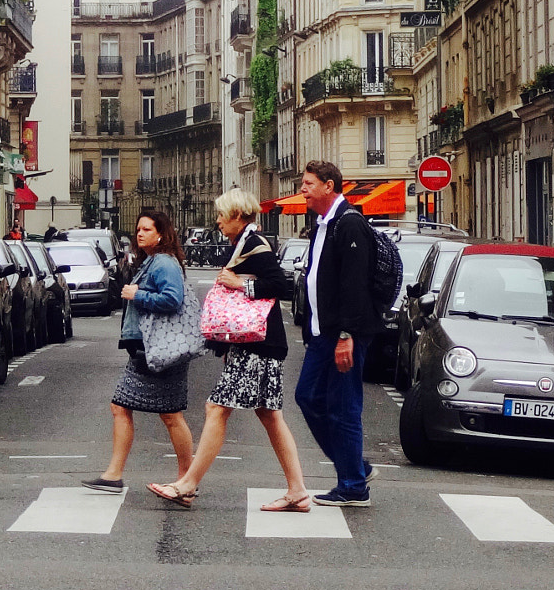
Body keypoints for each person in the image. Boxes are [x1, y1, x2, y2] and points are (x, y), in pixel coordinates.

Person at [147, 189, 311, 512]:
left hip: (258, 345)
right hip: (257, 344)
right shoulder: (245, 244)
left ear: (238, 215)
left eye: (222, 214)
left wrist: (240, 285)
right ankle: (298, 490)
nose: (218, 220)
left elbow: (280, 285)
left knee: (216, 408)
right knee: (269, 415)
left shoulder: (255, 246)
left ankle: (188, 484)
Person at [81, 209, 195, 493]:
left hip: (158, 349)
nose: (140, 233)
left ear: (161, 234)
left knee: (170, 414)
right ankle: (114, 474)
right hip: (146, 348)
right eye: (138, 229)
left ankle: (186, 479)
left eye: (146, 229)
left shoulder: (164, 263)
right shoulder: (152, 262)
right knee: (125, 407)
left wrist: (137, 295)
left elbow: (173, 299)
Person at [293, 160, 381, 509]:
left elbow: (354, 286)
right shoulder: (323, 223)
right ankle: (354, 467)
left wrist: (347, 334)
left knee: (344, 408)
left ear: (329, 186)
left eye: (308, 184)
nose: (303, 190)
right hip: (322, 332)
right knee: (308, 396)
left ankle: (354, 485)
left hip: (343, 333)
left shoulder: (349, 224)